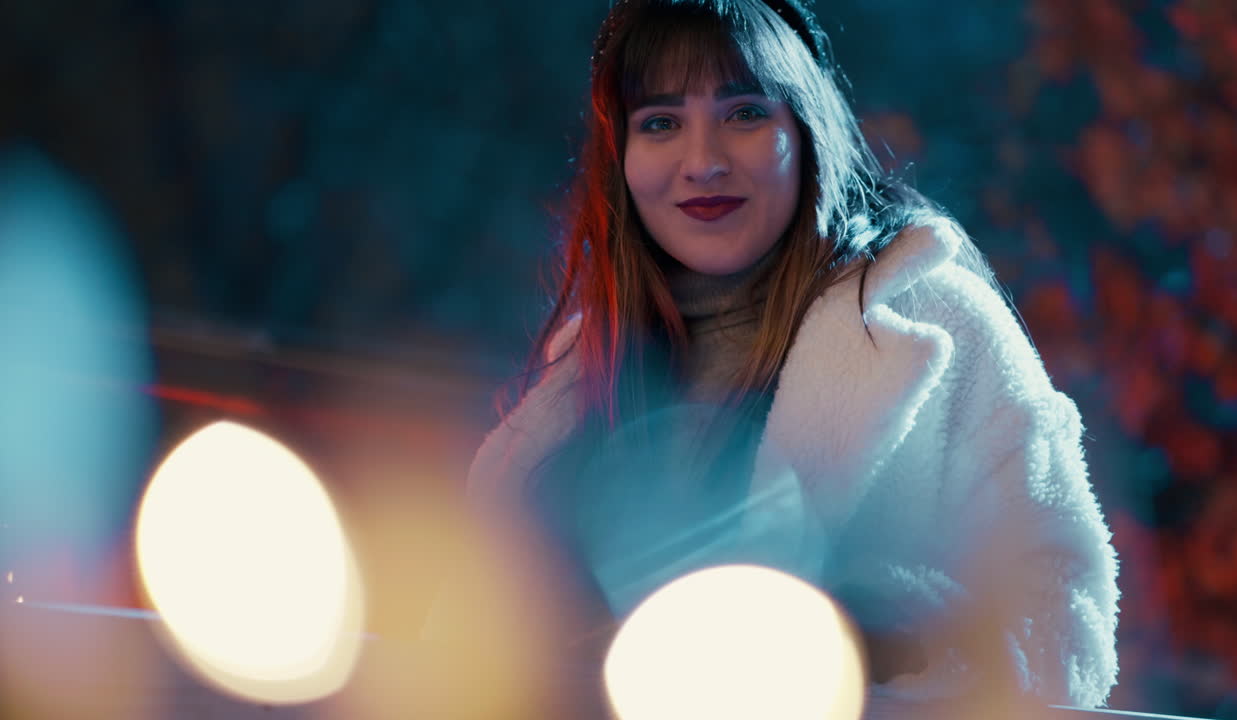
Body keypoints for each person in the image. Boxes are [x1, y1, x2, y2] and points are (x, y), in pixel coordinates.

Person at [465, 0, 1120, 716]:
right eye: (659, 123)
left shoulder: (928, 318)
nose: (703, 161)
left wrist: (895, 646)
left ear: (806, 130)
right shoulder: (587, 360)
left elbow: (1071, 622)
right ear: (620, 158)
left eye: (744, 113)